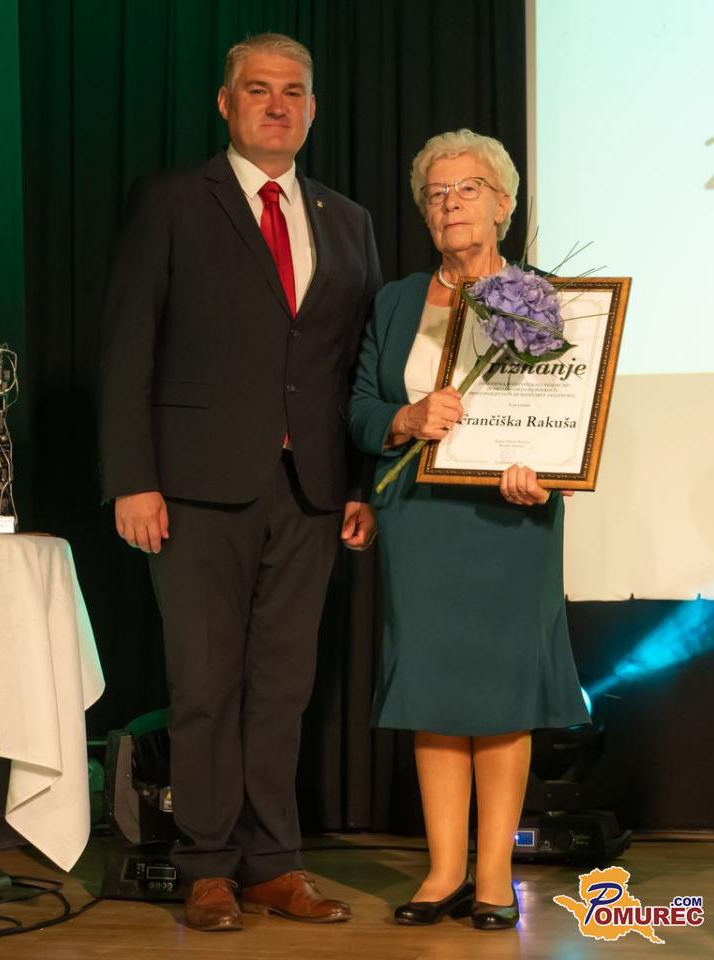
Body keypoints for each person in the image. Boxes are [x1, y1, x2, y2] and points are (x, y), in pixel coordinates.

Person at [98, 33, 381, 932]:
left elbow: (358, 365)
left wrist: (360, 484)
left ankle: (273, 865)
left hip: (310, 492)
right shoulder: (172, 200)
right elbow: (128, 345)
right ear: (225, 104)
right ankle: (207, 867)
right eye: (257, 89)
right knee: (205, 684)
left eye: (292, 90)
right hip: (191, 488)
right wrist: (131, 478)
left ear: (312, 107)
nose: (276, 104)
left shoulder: (346, 219)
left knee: (283, 689)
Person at [349, 129, 590, 930]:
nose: (450, 204)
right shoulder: (395, 300)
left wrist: (542, 470)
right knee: (433, 690)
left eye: (467, 189)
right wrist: (405, 418)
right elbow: (360, 408)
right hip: (420, 521)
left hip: (510, 520)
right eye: (435, 193)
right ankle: (443, 870)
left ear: (503, 204)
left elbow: (573, 413)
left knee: (501, 695)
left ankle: (492, 875)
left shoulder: (547, 298)